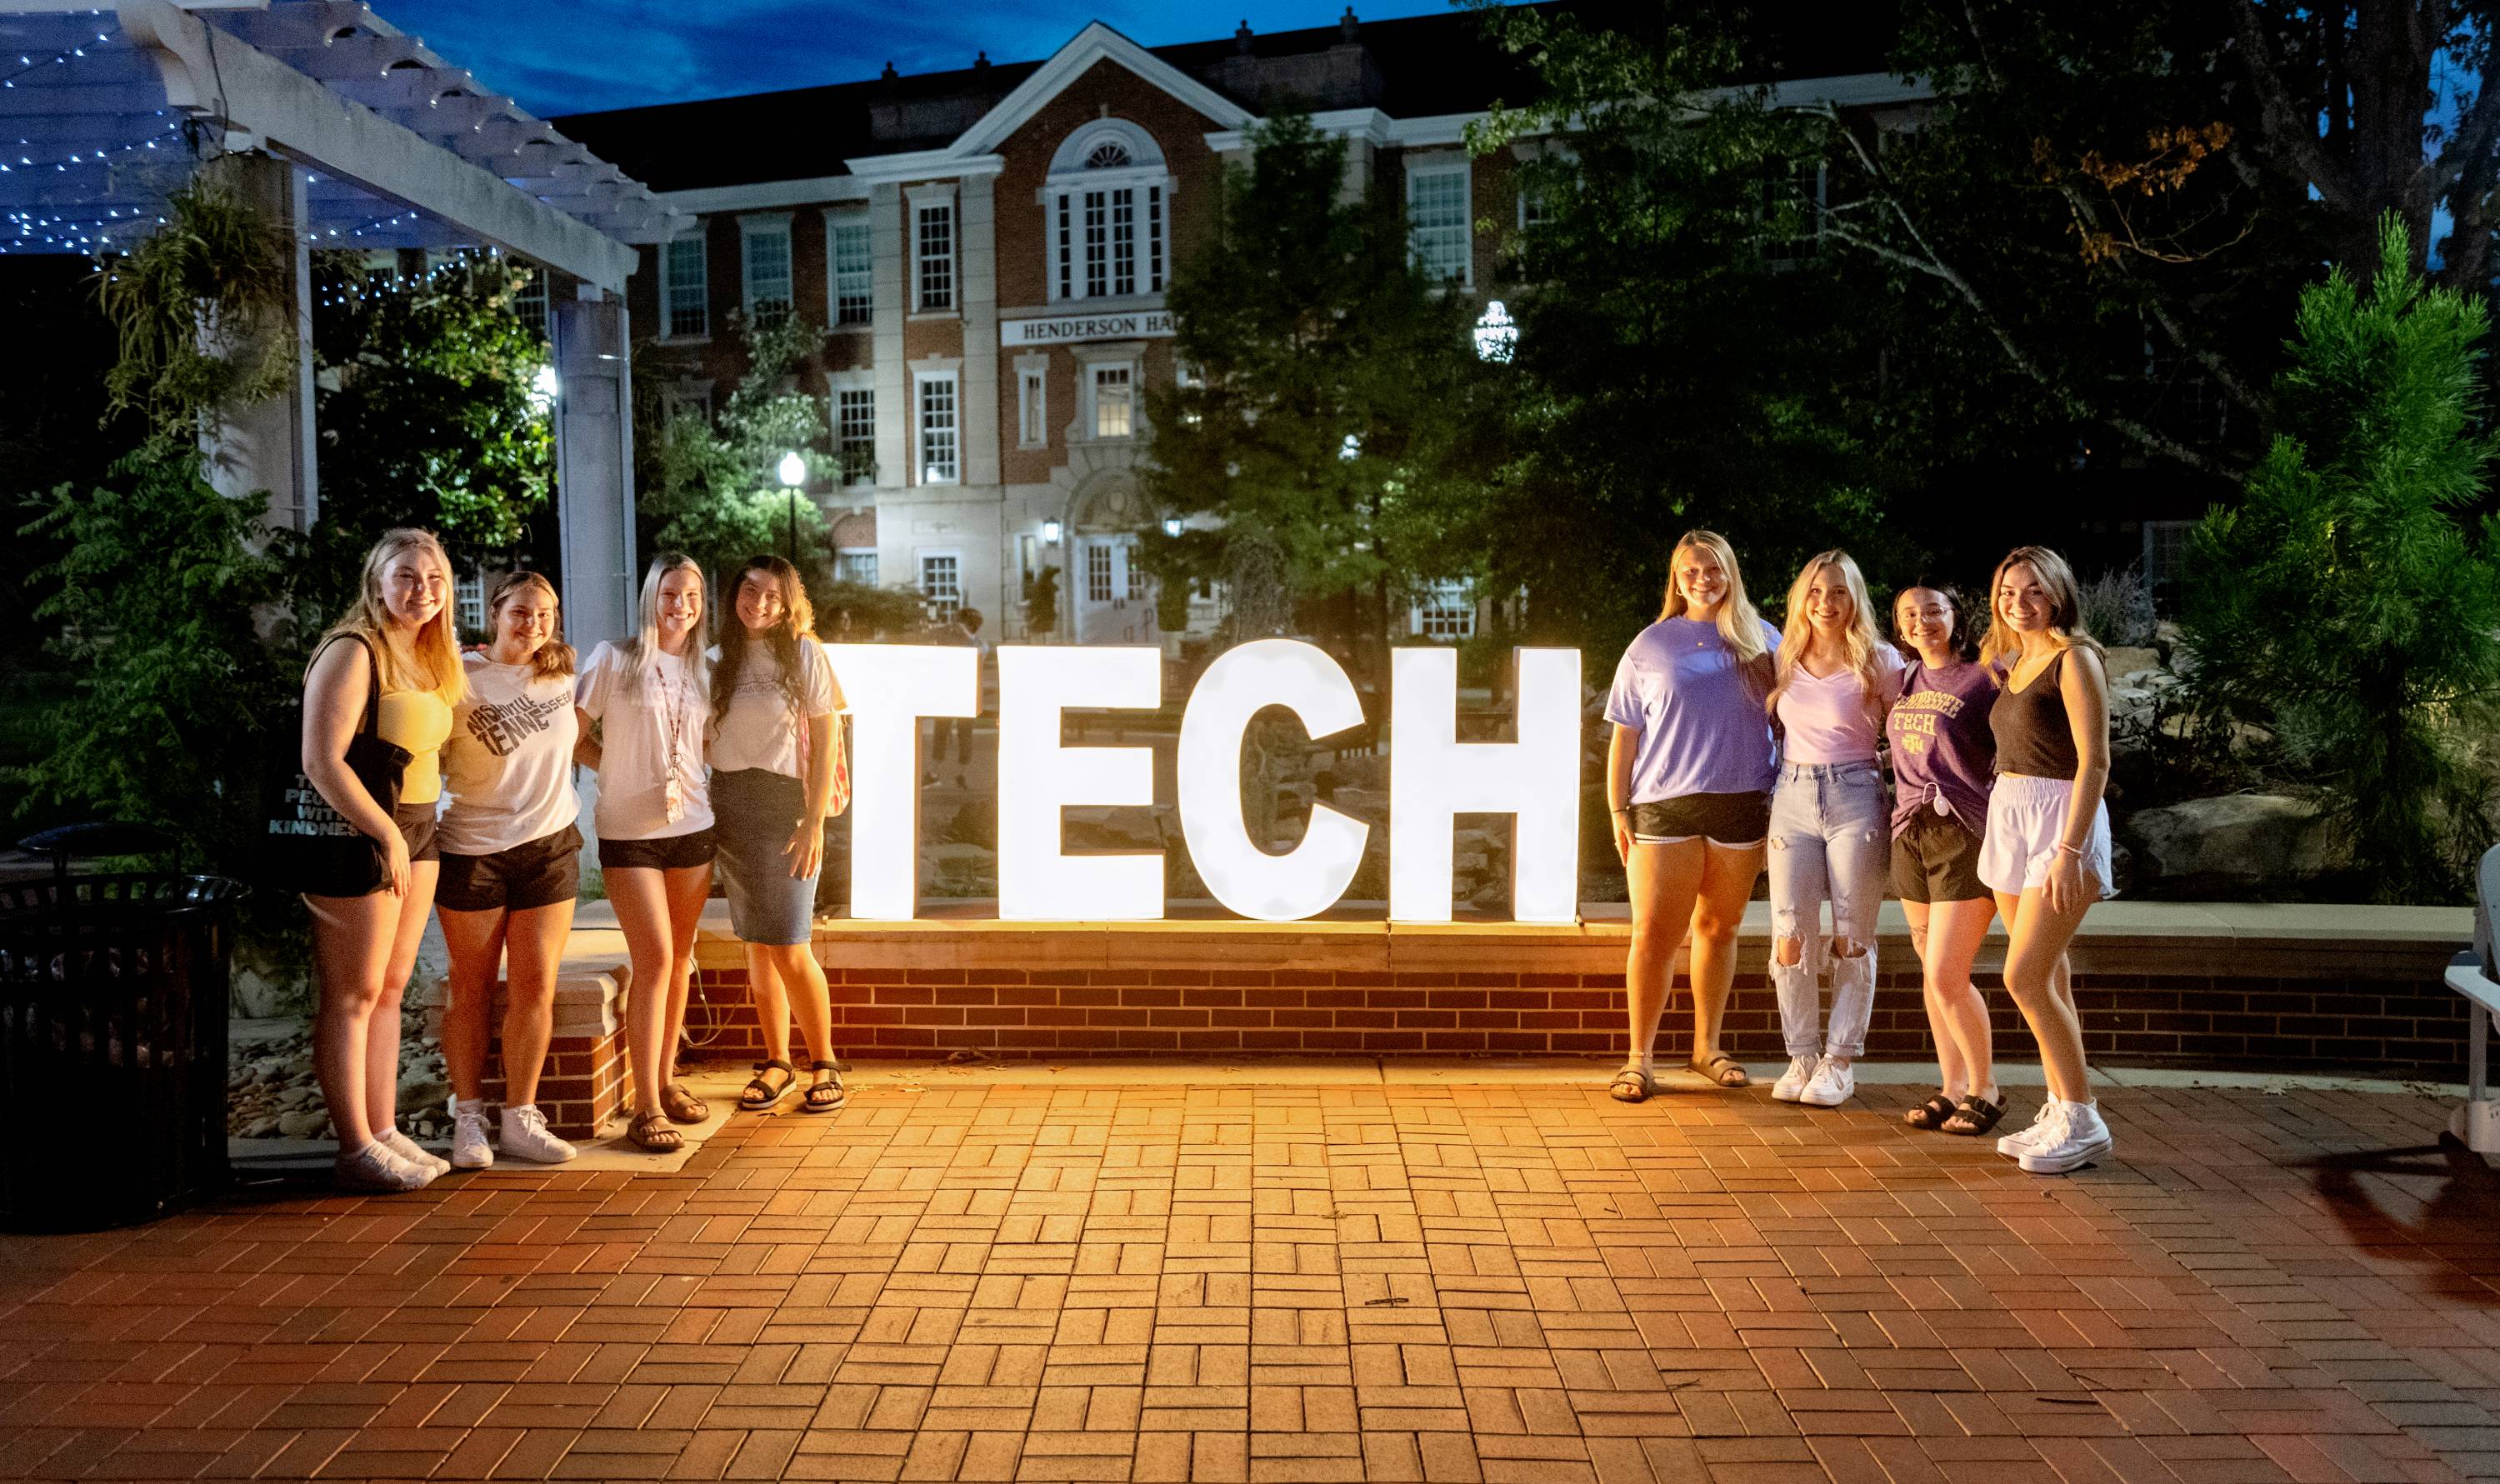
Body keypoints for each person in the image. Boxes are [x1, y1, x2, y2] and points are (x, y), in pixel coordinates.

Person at [302, 528, 464, 1192]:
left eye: (433, 579)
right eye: (405, 576)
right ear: (376, 581)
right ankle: (353, 1146)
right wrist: (386, 834)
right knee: (353, 993)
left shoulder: (428, 653)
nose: (421, 590)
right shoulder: (354, 650)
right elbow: (320, 760)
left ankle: (383, 1127)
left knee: (390, 990)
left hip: (419, 828)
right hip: (361, 833)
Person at [1603, 530, 1780, 1101]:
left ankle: (1707, 1047)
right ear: (1675, 579)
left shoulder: (1766, 640)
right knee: (1654, 933)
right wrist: (1616, 808)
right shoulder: (1651, 644)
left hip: (1745, 803)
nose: (1702, 579)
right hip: (1663, 805)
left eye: (1713, 568)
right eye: (1690, 571)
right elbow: (1624, 738)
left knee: (1719, 928)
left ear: (1731, 571)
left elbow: (1794, 719)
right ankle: (1640, 1058)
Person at [435, 571, 583, 1170]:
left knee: (535, 985)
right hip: (474, 847)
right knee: (470, 987)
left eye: (546, 613)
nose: (534, 624)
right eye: (522, 611)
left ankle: (521, 1116)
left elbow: (586, 742)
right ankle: (468, 1117)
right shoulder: (458, 675)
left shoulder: (562, 675)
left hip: (549, 846)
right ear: (496, 612)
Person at [1980, 546, 2118, 1174]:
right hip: (2014, 811)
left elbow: (2095, 761)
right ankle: (2062, 1105)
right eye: (2009, 591)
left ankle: (2085, 1118)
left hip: (2061, 821)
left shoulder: (2075, 658)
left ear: (2057, 593)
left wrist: (2069, 850)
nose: (2019, 602)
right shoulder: (2013, 659)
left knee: (2024, 977)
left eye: (2033, 590)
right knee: (2050, 975)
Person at [576, 553, 716, 1153]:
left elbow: (710, 738)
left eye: (690, 594)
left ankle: (665, 1078)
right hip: (630, 830)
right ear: (649, 598)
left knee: (680, 958)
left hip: (693, 823)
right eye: (668, 593)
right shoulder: (615, 658)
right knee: (655, 956)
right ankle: (645, 1105)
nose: (679, 605)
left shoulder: (708, 668)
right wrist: (615, 769)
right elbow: (573, 731)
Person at [1763, 551, 1905, 1108]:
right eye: (1817, 592)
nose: (1827, 602)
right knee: (1790, 932)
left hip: (1855, 792)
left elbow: (1910, 733)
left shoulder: (1880, 658)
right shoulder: (1784, 656)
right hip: (1793, 794)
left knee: (1852, 933)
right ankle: (1801, 1054)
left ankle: (1840, 1059)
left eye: (1840, 592)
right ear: (1803, 598)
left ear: (1855, 599)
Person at [710, 557, 850, 1116]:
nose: (760, 602)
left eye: (773, 594)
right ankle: (777, 1061)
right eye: (750, 590)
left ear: (790, 601)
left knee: (790, 944)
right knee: (758, 947)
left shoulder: (806, 653)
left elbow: (828, 734)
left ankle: (826, 1062)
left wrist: (813, 819)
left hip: (786, 806)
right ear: (735, 595)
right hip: (729, 803)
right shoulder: (719, 659)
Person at [1887, 583, 2006, 1137]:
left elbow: (2019, 740)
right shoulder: (1906, 679)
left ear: (1955, 615)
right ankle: (1951, 1086)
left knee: (1947, 972)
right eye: (1910, 613)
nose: (1921, 620)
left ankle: (1986, 1088)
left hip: (1963, 831)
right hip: (1910, 832)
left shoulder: (1985, 677)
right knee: (1931, 975)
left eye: (1933, 610)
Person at [926, 606, 985, 787]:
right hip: (959, 693)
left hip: (955, 693)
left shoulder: (973, 643)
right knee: (954, 733)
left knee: (950, 733)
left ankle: (939, 773)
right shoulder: (972, 642)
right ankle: (953, 773)